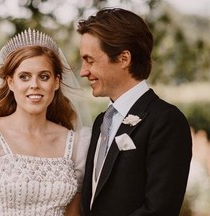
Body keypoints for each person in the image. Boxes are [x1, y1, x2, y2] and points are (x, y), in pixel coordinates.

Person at [0, 28, 92, 216]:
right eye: (24, 76)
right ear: (11, 82)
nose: (34, 84)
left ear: (56, 82)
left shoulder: (76, 144)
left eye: (44, 76)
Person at [77, 8, 192, 216]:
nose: (83, 71)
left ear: (124, 59)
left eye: (90, 60)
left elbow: (160, 210)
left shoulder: (166, 121)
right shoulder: (101, 122)